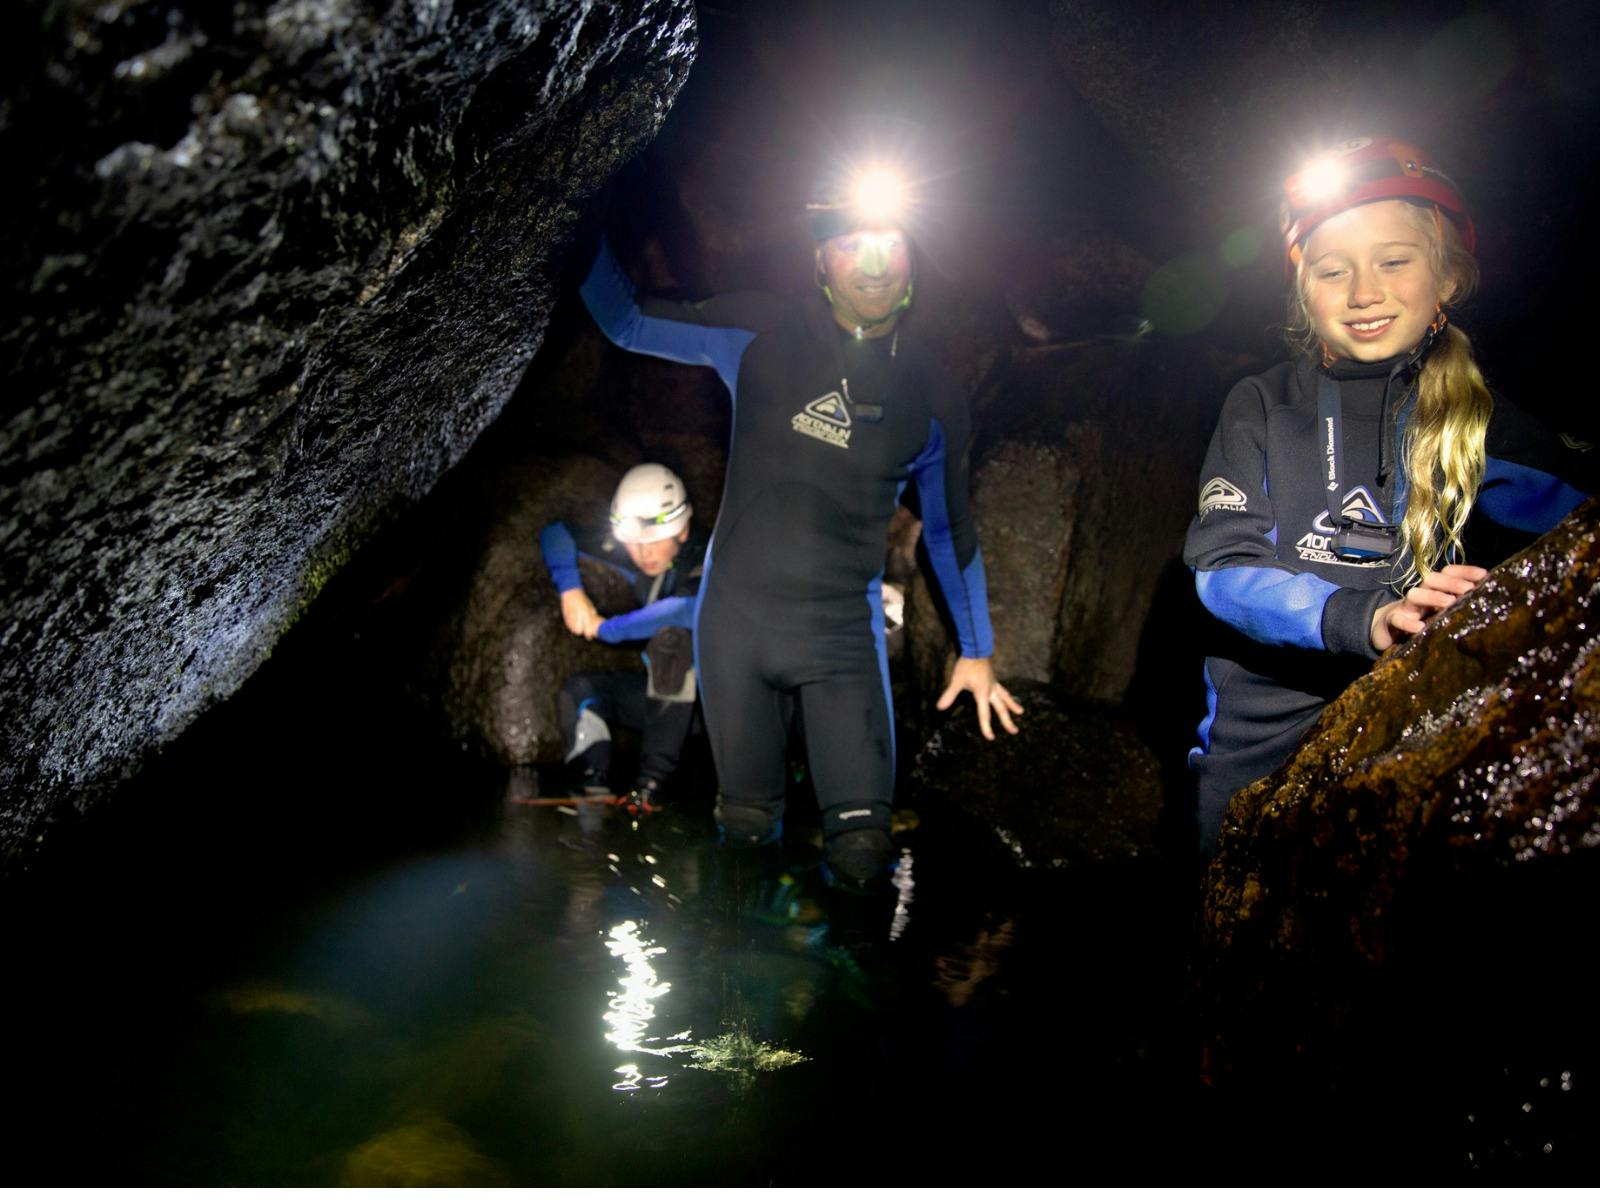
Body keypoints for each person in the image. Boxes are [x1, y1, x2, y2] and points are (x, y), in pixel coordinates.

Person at [578, 155, 1022, 890]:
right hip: (737, 630)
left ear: (913, 260)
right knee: (745, 839)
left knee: (862, 857)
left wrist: (976, 651)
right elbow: (626, 321)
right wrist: (565, 210)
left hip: (842, 642)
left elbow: (948, 530)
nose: (873, 264)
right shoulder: (758, 331)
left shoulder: (934, 396)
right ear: (820, 261)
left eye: (890, 242)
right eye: (851, 243)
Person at [1184, 136, 1592, 854]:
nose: (1363, 292)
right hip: (1254, 751)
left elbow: (1579, 533)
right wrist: (1364, 616)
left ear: (1448, 277)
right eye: (1332, 269)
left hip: (1409, 723)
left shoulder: (1482, 419)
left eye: (1394, 261)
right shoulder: (1262, 404)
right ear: (1302, 289)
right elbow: (1222, 570)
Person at [539, 463, 707, 810]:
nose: (644, 553)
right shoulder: (642, 555)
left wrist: (604, 628)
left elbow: (684, 610)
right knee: (581, 691)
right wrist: (570, 591)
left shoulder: (708, 554)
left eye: (654, 541)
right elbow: (555, 533)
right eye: (634, 544)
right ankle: (591, 789)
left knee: (672, 641)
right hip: (668, 706)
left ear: (682, 530)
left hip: (720, 709)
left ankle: (650, 788)